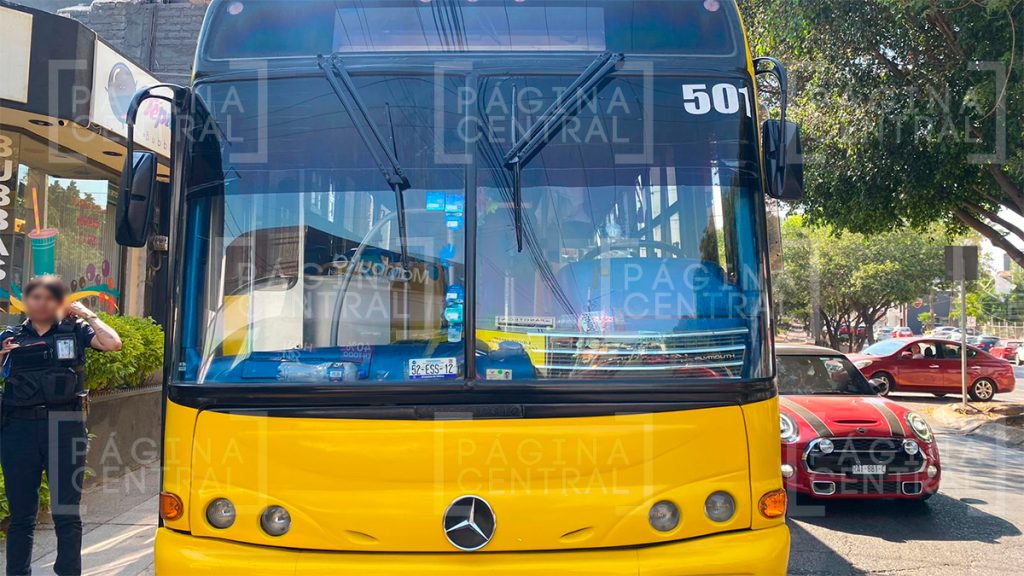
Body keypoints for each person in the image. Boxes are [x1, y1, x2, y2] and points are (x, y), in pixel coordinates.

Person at [0, 275, 122, 576]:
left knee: (66, 514)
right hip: (18, 430)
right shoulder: (10, 335)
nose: (41, 303)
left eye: (49, 297)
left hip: (65, 428)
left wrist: (87, 314)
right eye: (35, 297)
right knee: (21, 516)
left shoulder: (76, 331)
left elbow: (113, 343)